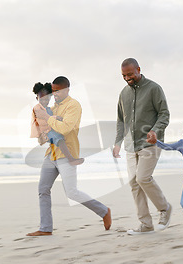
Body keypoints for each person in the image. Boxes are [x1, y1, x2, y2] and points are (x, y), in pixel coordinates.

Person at [27, 76, 112, 236]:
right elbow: (47, 131)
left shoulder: (74, 106)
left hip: (67, 154)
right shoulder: (51, 107)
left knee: (72, 192)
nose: (55, 94)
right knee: (43, 190)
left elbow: (65, 128)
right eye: (53, 91)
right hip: (50, 154)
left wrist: (48, 118)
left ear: (67, 90)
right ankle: (45, 228)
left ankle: (104, 211)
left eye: (57, 91)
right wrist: (42, 134)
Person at [113, 58, 172, 235]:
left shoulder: (154, 88)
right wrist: (117, 143)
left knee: (143, 178)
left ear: (138, 69)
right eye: (124, 75)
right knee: (133, 182)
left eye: (130, 74)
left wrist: (155, 130)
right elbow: (121, 121)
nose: (127, 78)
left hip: (150, 142)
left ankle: (164, 208)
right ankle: (146, 224)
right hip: (131, 145)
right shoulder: (123, 93)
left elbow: (164, 114)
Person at [30, 82, 84, 166]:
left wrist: (53, 118)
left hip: (48, 132)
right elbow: (41, 121)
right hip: (46, 131)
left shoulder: (48, 108)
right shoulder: (38, 108)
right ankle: (71, 159)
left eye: (46, 99)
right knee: (60, 139)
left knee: (60, 139)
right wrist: (56, 118)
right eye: (42, 99)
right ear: (37, 98)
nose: (44, 101)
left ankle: (70, 158)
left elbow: (48, 118)